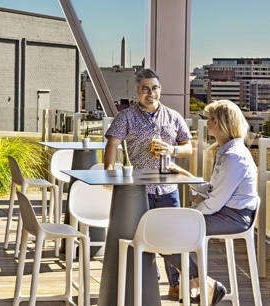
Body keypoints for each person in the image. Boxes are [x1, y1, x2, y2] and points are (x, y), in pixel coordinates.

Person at [104, 68, 193, 298]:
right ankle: (149, 285)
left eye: (154, 88)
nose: (150, 93)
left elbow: (188, 148)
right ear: (137, 91)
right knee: (145, 238)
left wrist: (173, 149)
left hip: (168, 189)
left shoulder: (173, 117)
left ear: (160, 89)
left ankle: (177, 284)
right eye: (145, 89)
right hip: (138, 190)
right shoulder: (126, 116)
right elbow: (112, 144)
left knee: (172, 236)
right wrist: (109, 171)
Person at [164, 100, 257, 306]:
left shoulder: (234, 157)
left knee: (165, 229)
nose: (206, 123)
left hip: (234, 217)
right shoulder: (225, 151)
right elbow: (216, 191)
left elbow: (214, 203)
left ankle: (202, 284)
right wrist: (187, 175)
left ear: (216, 121)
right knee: (166, 226)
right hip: (226, 212)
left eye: (208, 119)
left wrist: (189, 213)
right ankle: (201, 284)